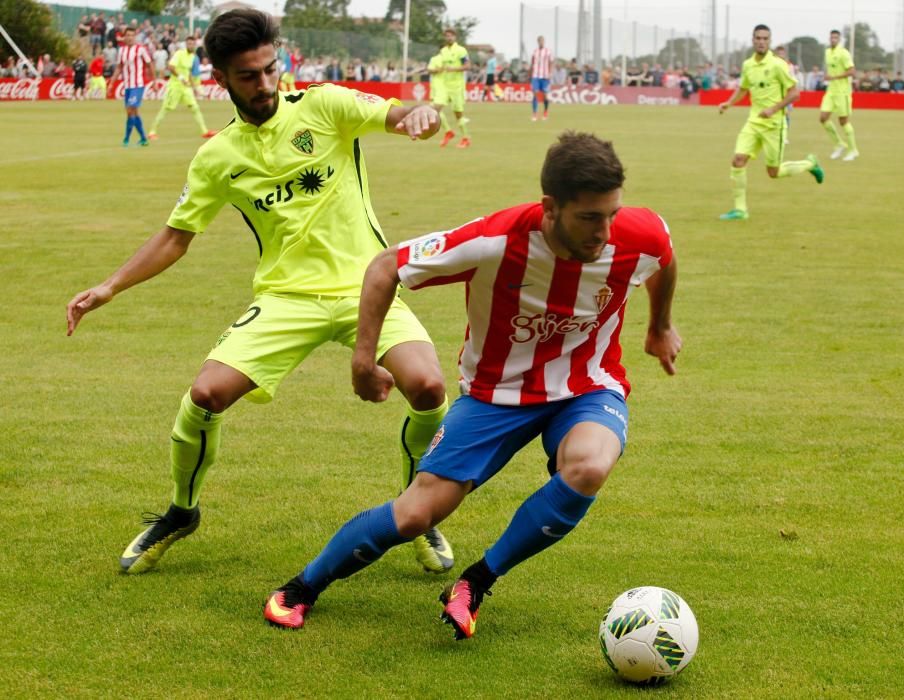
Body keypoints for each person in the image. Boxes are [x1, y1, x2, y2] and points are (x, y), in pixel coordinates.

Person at [65, 9, 455, 580]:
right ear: (221, 77)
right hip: (285, 299)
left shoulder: (322, 105)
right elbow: (177, 237)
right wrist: (109, 286)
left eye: (272, 68)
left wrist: (423, 114)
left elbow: (402, 115)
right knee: (204, 396)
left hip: (365, 287)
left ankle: (420, 506)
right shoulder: (218, 156)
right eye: (249, 75)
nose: (267, 83)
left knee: (430, 387)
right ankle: (180, 512)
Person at [261, 131, 681, 637]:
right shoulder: (495, 241)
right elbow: (383, 268)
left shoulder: (639, 235)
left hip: (587, 386)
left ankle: (477, 582)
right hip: (494, 396)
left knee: (590, 465)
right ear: (551, 207)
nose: (603, 232)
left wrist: (659, 326)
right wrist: (362, 359)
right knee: (417, 514)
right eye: (589, 218)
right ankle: (302, 587)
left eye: (611, 215)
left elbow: (663, 260)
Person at [717, 24, 824, 221]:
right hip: (753, 122)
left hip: (774, 125)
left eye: (765, 39)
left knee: (773, 172)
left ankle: (810, 164)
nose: (761, 42)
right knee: (738, 160)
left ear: (770, 41)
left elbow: (795, 94)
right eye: (758, 38)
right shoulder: (748, 65)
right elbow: (743, 88)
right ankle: (740, 210)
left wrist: (773, 109)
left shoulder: (778, 65)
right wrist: (729, 103)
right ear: (752, 40)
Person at [149, 35, 217, 140]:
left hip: (186, 88)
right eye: (189, 43)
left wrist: (196, 88)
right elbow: (171, 67)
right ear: (186, 44)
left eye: (193, 44)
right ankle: (152, 132)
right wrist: (180, 77)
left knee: (195, 108)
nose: (191, 45)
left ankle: (204, 131)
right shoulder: (179, 54)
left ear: (195, 45)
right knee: (166, 108)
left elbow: (188, 73)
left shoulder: (192, 57)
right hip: (175, 86)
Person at [820, 29, 859, 161]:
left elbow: (852, 71)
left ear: (839, 39)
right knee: (823, 118)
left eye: (836, 38)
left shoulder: (844, 53)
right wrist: (827, 77)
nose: (833, 40)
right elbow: (830, 70)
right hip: (831, 91)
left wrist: (834, 77)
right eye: (831, 37)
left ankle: (853, 150)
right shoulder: (827, 52)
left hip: (842, 92)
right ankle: (839, 144)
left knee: (843, 121)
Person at [111, 26, 153, 147]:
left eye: (131, 35)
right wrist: (112, 82)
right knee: (132, 113)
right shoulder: (122, 51)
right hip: (128, 86)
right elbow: (119, 67)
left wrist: (154, 81)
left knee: (130, 109)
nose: (129, 38)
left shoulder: (140, 49)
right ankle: (143, 138)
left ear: (135, 37)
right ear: (124, 37)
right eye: (127, 35)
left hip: (138, 85)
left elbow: (149, 64)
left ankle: (126, 139)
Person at [430, 28, 471, 149]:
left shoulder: (461, 50)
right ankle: (448, 131)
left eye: (451, 36)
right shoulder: (443, 51)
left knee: (458, 114)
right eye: (447, 36)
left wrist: (454, 69)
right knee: (434, 109)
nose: (449, 38)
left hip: (457, 87)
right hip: (444, 87)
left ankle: (466, 138)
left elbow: (468, 65)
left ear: (455, 37)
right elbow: (442, 66)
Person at [529, 35, 553, 121]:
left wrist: (550, 73)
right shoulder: (535, 52)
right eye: (540, 41)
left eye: (542, 41)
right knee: (535, 93)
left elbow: (551, 63)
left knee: (545, 96)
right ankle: (535, 114)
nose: (541, 42)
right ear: (538, 42)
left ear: (544, 42)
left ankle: (545, 112)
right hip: (535, 76)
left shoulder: (548, 51)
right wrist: (530, 75)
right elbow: (532, 63)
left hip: (545, 76)